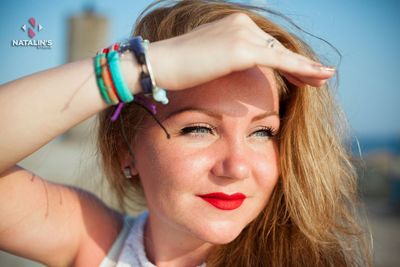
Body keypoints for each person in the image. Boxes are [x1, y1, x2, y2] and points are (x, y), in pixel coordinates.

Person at [0, 0, 372, 266]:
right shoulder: (95, 243)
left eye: (262, 133)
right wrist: (144, 66)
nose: (237, 167)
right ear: (124, 149)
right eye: (199, 129)